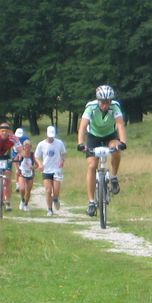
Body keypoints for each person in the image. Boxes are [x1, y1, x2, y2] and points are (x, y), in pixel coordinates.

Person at [77, 84, 127, 217]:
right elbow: (82, 127)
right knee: (92, 165)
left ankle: (114, 177)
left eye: (108, 102)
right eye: (103, 102)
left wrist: (123, 142)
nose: (105, 105)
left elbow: (120, 125)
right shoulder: (91, 107)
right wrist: (80, 143)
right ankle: (91, 202)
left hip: (110, 135)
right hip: (93, 136)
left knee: (116, 149)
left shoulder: (115, 107)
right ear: (98, 101)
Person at [35, 126, 67, 216]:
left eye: (52, 136)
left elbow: (63, 153)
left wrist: (62, 161)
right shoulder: (41, 144)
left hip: (56, 169)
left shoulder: (59, 143)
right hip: (46, 170)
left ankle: (55, 199)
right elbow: (36, 156)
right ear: (47, 134)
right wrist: (40, 164)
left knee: (56, 190)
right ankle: (49, 209)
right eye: (49, 136)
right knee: (48, 190)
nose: (51, 138)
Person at [14, 139, 39, 211]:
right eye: (26, 147)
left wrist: (33, 167)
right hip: (22, 173)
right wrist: (17, 169)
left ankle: (26, 204)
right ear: (23, 147)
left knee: (28, 191)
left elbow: (37, 165)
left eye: (29, 147)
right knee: (22, 189)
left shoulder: (32, 155)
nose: (27, 149)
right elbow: (15, 161)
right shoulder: (20, 154)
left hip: (30, 174)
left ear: (31, 147)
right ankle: (22, 200)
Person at [13, 128, 29, 193]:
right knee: (17, 170)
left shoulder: (26, 139)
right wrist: (16, 156)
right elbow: (13, 150)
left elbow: (27, 148)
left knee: (24, 169)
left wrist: (22, 154)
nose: (19, 137)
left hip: (24, 154)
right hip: (15, 154)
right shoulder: (13, 139)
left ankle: (24, 183)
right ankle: (17, 185)